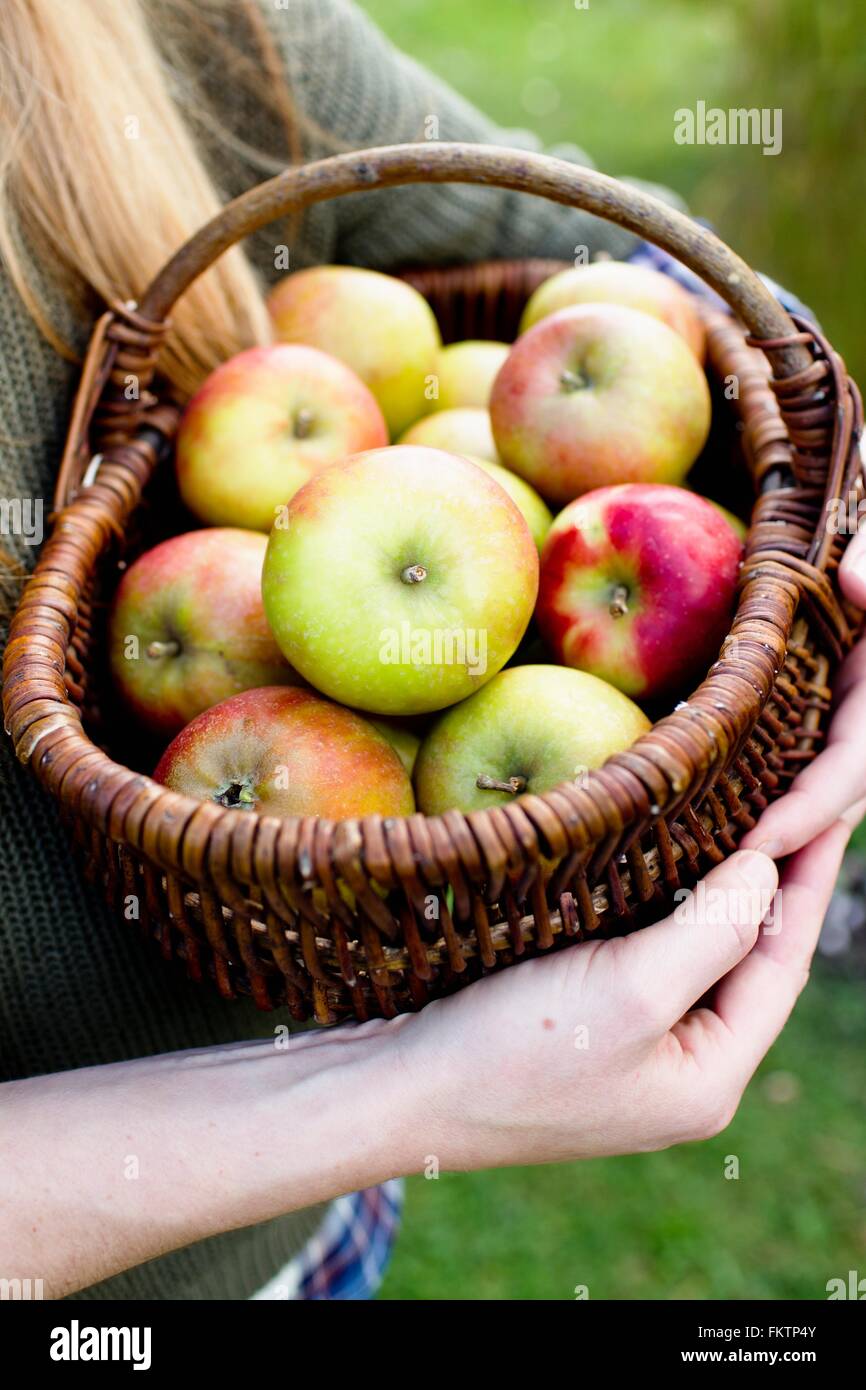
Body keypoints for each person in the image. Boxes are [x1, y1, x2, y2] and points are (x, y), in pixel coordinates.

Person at [0, 0, 864, 1302]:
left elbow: (605, 251)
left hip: (320, 1229)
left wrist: (853, 514)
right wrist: (411, 1094)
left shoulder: (139, 19)